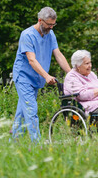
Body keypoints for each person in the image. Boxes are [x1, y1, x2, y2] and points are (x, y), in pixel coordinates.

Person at [11, 7, 71, 142]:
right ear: (40, 21)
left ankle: (14, 143)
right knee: (31, 110)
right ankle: (37, 144)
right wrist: (47, 76)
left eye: (53, 25)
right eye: (49, 25)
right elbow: (31, 60)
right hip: (24, 77)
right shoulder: (27, 35)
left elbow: (58, 55)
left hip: (36, 78)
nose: (51, 28)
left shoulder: (50, 34)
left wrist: (71, 73)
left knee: (22, 112)